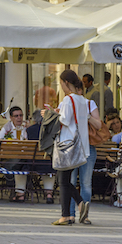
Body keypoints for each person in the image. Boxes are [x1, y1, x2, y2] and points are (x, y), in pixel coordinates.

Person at [51, 69, 90, 226]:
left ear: (66, 83)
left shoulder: (68, 100)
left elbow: (65, 120)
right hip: (80, 146)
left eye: (61, 83)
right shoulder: (82, 100)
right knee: (65, 180)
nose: (61, 87)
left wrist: (52, 113)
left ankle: (68, 214)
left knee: (63, 180)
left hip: (67, 145)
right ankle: (71, 211)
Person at [68, 90, 102, 223]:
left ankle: (84, 215)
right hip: (71, 147)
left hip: (88, 147)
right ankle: (70, 214)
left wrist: (87, 116)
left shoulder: (89, 103)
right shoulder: (67, 103)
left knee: (86, 183)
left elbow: (98, 125)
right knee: (70, 182)